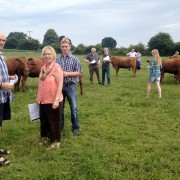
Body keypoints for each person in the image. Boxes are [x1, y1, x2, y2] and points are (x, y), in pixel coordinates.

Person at [37, 46, 64, 150]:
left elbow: (60, 84)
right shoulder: (43, 68)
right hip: (43, 100)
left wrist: (56, 100)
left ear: (53, 55)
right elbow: (41, 84)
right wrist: (38, 97)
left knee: (54, 122)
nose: (47, 56)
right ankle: (46, 139)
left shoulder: (57, 68)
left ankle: (56, 142)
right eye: (45, 54)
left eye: (49, 54)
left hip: (53, 100)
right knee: (44, 121)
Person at [56, 37, 82, 136]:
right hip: (60, 87)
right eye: (62, 47)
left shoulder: (75, 59)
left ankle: (75, 127)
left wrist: (67, 74)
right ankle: (60, 126)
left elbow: (79, 73)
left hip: (71, 86)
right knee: (60, 108)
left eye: (66, 46)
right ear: (60, 47)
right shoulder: (58, 60)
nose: (64, 48)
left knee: (74, 108)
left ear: (70, 46)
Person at [0, 32, 15, 166]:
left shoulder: (1, 56)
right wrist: (1, 84)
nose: (2, 42)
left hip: (2, 96)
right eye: (0, 40)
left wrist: (9, 78)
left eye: (4, 40)